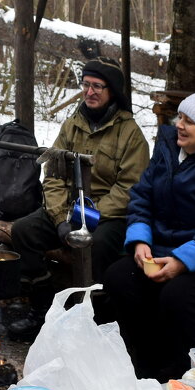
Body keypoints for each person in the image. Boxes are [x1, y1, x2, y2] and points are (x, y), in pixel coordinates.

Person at [102, 91, 195, 382]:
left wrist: (182, 261)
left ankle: (190, 373)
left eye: (191, 122)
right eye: (180, 117)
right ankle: (145, 364)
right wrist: (140, 240)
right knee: (119, 278)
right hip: (164, 246)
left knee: (178, 296)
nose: (180, 125)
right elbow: (142, 197)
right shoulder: (169, 147)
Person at [11, 58, 149, 292]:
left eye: (97, 86)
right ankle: (41, 301)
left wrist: (87, 216)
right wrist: (61, 219)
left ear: (112, 91)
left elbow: (128, 189)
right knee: (23, 230)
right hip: (68, 210)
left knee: (97, 246)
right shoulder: (71, 126)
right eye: (85, 84)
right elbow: (53, 176)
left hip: (109, 216)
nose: (89, 91)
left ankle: (96, 310)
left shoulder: (130, 134)